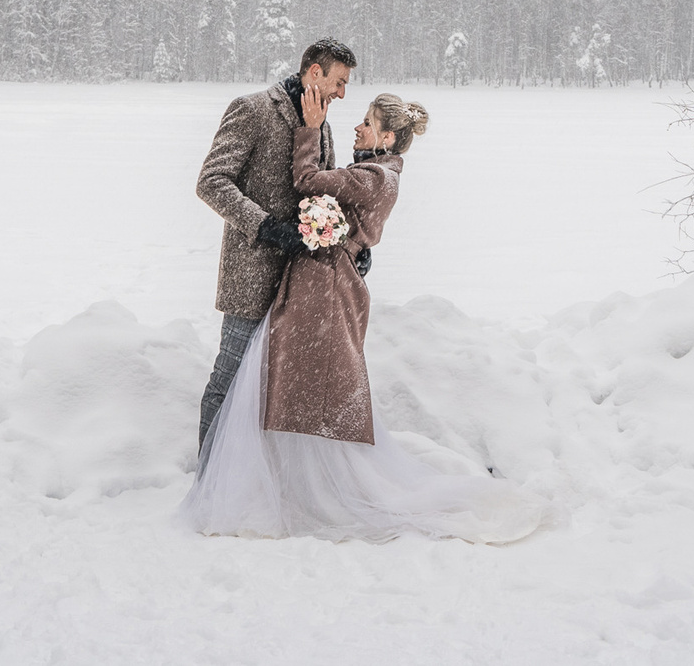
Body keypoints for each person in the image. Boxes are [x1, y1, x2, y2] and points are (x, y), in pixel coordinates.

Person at [181, 88, 543, 544]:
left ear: (387, 138)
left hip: (325, 288)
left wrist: (310, 129)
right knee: (289, 382)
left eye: (367, 123)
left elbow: (309, 181)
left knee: (299, 382)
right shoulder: (375, 170)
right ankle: (282, 477)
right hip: (319, 280)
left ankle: (297, 485)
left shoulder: (375, 176)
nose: (357, 126)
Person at [194, 37, 357, 456]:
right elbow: (211, 182)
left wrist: (348, 242)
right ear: (315, 72)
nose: (342, 93)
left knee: (271, 386)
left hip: (298, 281)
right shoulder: (252, 110)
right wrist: (267, 227)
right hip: (250, 275)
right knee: (229, 378)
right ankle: (208, 474)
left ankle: (254, 469)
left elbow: (323, 192)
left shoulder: (322, 124)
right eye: (339, 82)